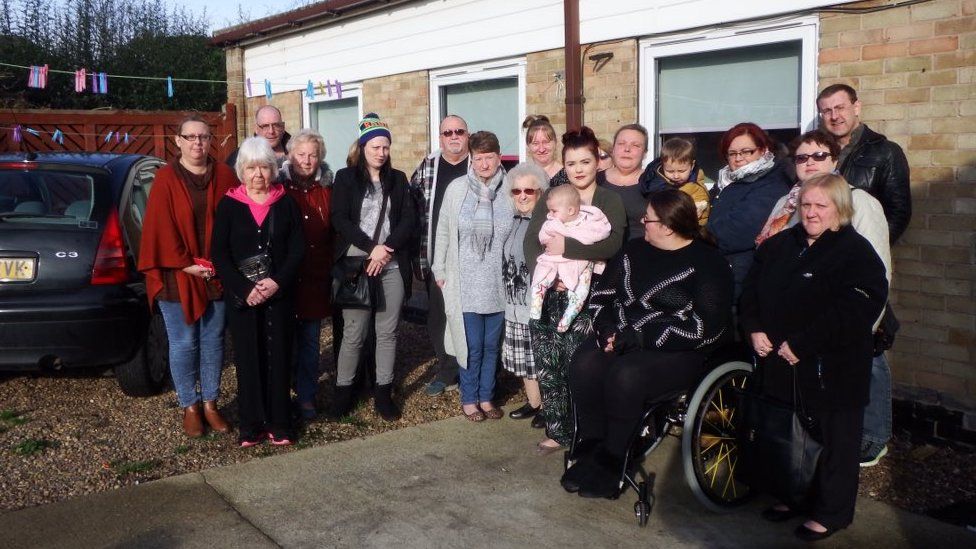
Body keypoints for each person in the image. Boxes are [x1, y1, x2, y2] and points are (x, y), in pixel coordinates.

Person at [740, 173, 888, 541]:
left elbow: (856, 308)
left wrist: (804, 344)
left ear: (839, 208)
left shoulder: (854, 252)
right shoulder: (781, 245)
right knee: (789, 438)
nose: (811, 212)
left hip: (831, 369)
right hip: (780, 363)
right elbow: (750, 291)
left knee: (834, 443)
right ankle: (793, 496)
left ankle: (830, 512)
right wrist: (754, 327)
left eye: (821, 205)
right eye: (806, 204)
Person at [561, 189, 733, 498]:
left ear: (667, 225)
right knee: (585, 363)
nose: (643, 223)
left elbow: (705, 328)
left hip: (679, 348)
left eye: (648, 219)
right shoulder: (633, 251)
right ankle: (590, 448)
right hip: (624, 334)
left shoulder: (708, 263)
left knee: (626, 375)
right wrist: (606, 329)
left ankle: (613, 458)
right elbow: (602, 296)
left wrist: (642, 337)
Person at [817, 83, 911, 466]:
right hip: (823, 264)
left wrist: (865, 251)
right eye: (826, 110)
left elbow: (899, 211)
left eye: (840, 107)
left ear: (857, 107)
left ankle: (875, 435)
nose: (834, 116)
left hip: (864, 260)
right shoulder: (822, 152)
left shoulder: (884, 152)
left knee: (871, 340)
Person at [524, 126, 627, 455]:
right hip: (551, 292)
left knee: (581, 367)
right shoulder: (554, 197)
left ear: (598, 161)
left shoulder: (608, 200)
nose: (579, 169)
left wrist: (566, 249)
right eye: (571, 163)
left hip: (588, 296)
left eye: (585, 161)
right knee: (549, 364)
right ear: (563, 165)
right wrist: (547, 270)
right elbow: (531, 241)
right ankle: (557, 430)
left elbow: (612, 245)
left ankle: (586, 432)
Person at [138, 115, 237, 438]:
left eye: (204, 137)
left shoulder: (224, 175)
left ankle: (210, 402)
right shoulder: (165, 179)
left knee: (212, 342)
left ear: (211, 141)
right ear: (178, 141)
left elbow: (237, 221)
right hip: (176, 275)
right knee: (183, 344)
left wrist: (221, 262)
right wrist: (186, 264)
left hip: (216, 273)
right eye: (191, 137)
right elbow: (158, 229)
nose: (198, 143)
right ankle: (190, 405)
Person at [211, 137, 305, 447]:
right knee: (248, 360)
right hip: (243, 298)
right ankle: (250, 425)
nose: (258, 175)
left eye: (264, 167)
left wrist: (277, 281)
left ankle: (279, 424)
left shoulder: (286, 202)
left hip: (278, 295)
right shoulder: (228, 204)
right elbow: (220, 254)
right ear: (241, 171)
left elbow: (297, 250)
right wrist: (243, 288)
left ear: (273, 169)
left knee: (279, 357)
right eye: (251, 168)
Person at [330, 113, 416, 421]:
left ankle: (383, 392)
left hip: (390, 264)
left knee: (387, 332)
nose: (381, 153)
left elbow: (408, 219)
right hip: (358, 262)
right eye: (375, 146)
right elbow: (339, 218)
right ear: (363, 146)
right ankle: (343, 392)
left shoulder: (399, 179)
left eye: (385, 147)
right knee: (355, 332)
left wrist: (387, 248)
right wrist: (372, 248)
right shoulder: (345, 177)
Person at [432, 131, 512, 422]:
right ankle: (469, 398)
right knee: (471, 346)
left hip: (498, 285)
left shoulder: (510, 190)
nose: (483, 164)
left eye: (489, 157)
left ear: (498, 157)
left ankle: (487, 396)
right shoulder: (456, 189)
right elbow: (442, 231)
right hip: (464, 283)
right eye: (478, 158)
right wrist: (439, 270)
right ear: (471, 159)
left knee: (492, 346)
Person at [409, 115, 471, 397]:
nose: (454, 136)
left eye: (459, 131)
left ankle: (472, 371)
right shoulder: (428, 166)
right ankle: (447, 371)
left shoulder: (479, 164)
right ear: (440, 137)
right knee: (438, 317)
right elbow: (410, 207)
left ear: (467, 135)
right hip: (438, 257)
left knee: (471, 316)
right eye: (448, 132)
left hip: (474, 260)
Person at [279, 129, 335, 420]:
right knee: (285, 340)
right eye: (301, 154)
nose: (307, 160)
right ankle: (281, 392)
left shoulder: (328, 188)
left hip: (316, 275)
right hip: (286, 279)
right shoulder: (278, 187)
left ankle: (306, 396)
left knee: (311, 341)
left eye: (313, 155)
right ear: (290, 156)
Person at [705, 122, 791, 300]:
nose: (738, 158)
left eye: (746, 151)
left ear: (762, 150)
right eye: (732, 153)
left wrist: (694, 236)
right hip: (719, 270)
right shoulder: (727, 181)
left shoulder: (771, 181)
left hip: (742, 276)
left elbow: (740, 229)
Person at [500, 163, 550, 423]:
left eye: (529, 190)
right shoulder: (512, 221)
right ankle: (534, 402)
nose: (522, 195)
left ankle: (548, 408)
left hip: (536, 305)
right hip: (513, 305)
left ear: (540, 193)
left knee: (539, 360)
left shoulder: (546, 225)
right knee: (524, 361)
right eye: (516, 190)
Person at [529, 185, 611, 332]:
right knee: (542, 275)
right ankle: (536, 304)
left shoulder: (588, 221)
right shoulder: (551, 223)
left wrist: (570, 242)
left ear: (571, 210)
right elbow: (543, 237)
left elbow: (599, 233)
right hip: (554, 259)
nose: (550, 214)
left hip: (581, 262)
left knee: (581, 290)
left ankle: (568, 316)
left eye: (554, 211)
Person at [639, 137, 710, 225]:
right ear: (662, 165)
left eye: (681, 171)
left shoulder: (695, 188)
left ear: (692, 166)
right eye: (670, 171)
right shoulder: (653, 180)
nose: (676, 176)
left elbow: (699, 218)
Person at [601, 124, 651, 241]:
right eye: (621, 144)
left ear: (644, 153)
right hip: (599, 254)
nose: (627, 149)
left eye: (636, 145)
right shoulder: (596, 180)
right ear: (613, 149)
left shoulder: (654, 182)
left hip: (641, 253)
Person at [225, 105, 291, 169]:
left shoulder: (297, 151)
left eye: (276, 125)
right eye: (265, 126)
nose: (271, 131)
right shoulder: (240, 157)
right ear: (256, 129)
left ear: (282, 127)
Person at [523, 115, 567, 186]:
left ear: (555, 142)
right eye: (535, 143)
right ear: (528, 146)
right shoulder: (522, 177)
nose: (541, 149)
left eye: (546, 142)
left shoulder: (568, 176)